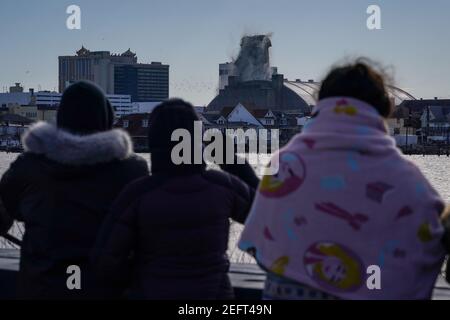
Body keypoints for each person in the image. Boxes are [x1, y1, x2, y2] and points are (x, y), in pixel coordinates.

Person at [238, 59, 448, 300]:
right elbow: (430, 247)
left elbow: (261, 246)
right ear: (383, 110)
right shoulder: (408, 179)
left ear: (320, 105)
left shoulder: (286, 165)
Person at [91, 99, 256, 299]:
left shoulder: (137, 194)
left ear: (154, 141)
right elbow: (269, 213)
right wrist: (231, 160)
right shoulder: (223, 187)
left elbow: (105, 263)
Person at [0, 81, 149, 299]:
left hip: (43, 289)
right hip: (108, 290)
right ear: (106, 121)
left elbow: (3, 217)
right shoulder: (133, 170)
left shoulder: (29, 167)